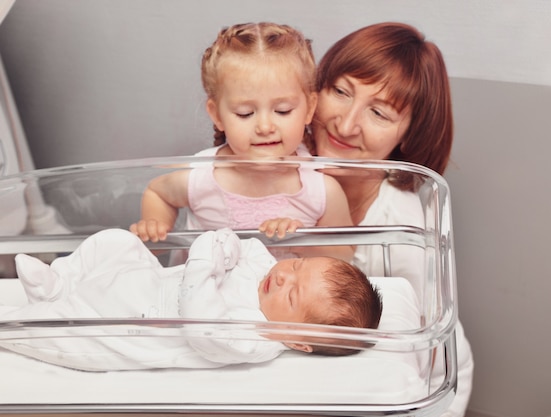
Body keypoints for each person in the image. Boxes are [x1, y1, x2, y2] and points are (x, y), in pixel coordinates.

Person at [306, 22, 473, 417]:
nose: (346, 125)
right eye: (341, 92)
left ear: (408, 134)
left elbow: (412, 360)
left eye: (379, 113)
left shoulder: (402, 229)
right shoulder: (272, 164)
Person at [0, 228, 382, 371]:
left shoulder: (256, 338)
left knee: (52, 332)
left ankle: (22, 318)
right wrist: (225, 246)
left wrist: (203, 262)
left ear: (296, 338)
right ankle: (59, 284)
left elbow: (202, 327)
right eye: (298, 267)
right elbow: (243, 244)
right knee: (116, 241)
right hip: (144, 277)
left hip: (124, 325)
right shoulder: (267, 269)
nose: (282, 275)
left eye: (292, 293)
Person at [129, 22, 353, 261]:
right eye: (245, 113)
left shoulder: (322, 190)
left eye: (283, 111)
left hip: (281, 297)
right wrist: (155, 225)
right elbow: (158, 192)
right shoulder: (199, 177)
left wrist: (303, 241)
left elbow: (345, 255)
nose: (265, 127)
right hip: (206, 296)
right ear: (217, 115)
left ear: (309, 108)